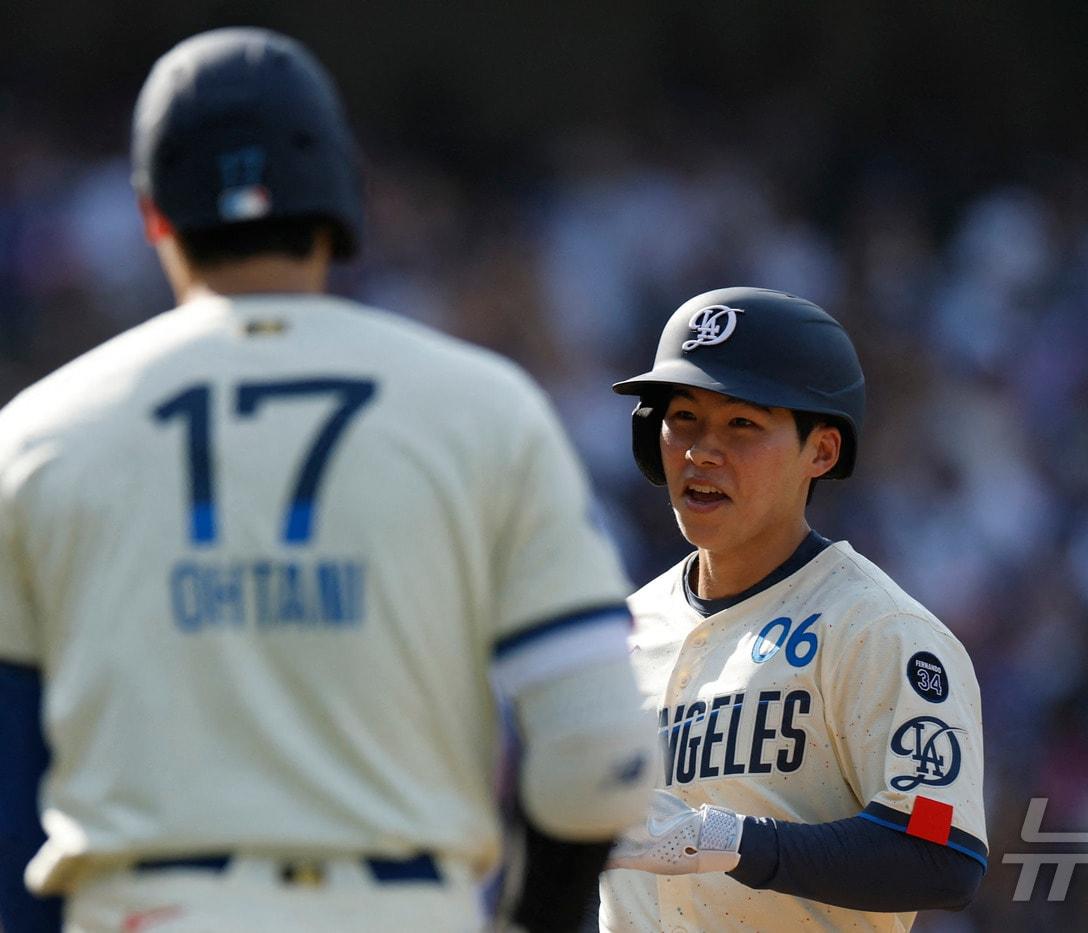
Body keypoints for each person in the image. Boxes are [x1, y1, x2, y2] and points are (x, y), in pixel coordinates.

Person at [0, 27, 655, 933]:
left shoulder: (35, 433)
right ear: (343, 204)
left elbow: (7, 789)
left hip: (143, 909)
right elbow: (597, 757)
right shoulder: (487, 408)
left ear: (154, 216)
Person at [598, 287, 987, 931]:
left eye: (742, 424)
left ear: (822, 451)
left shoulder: (879, 631)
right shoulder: (622, 633)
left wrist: (722, 839)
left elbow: (940, 851)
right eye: (684, 418)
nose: (700, 452)